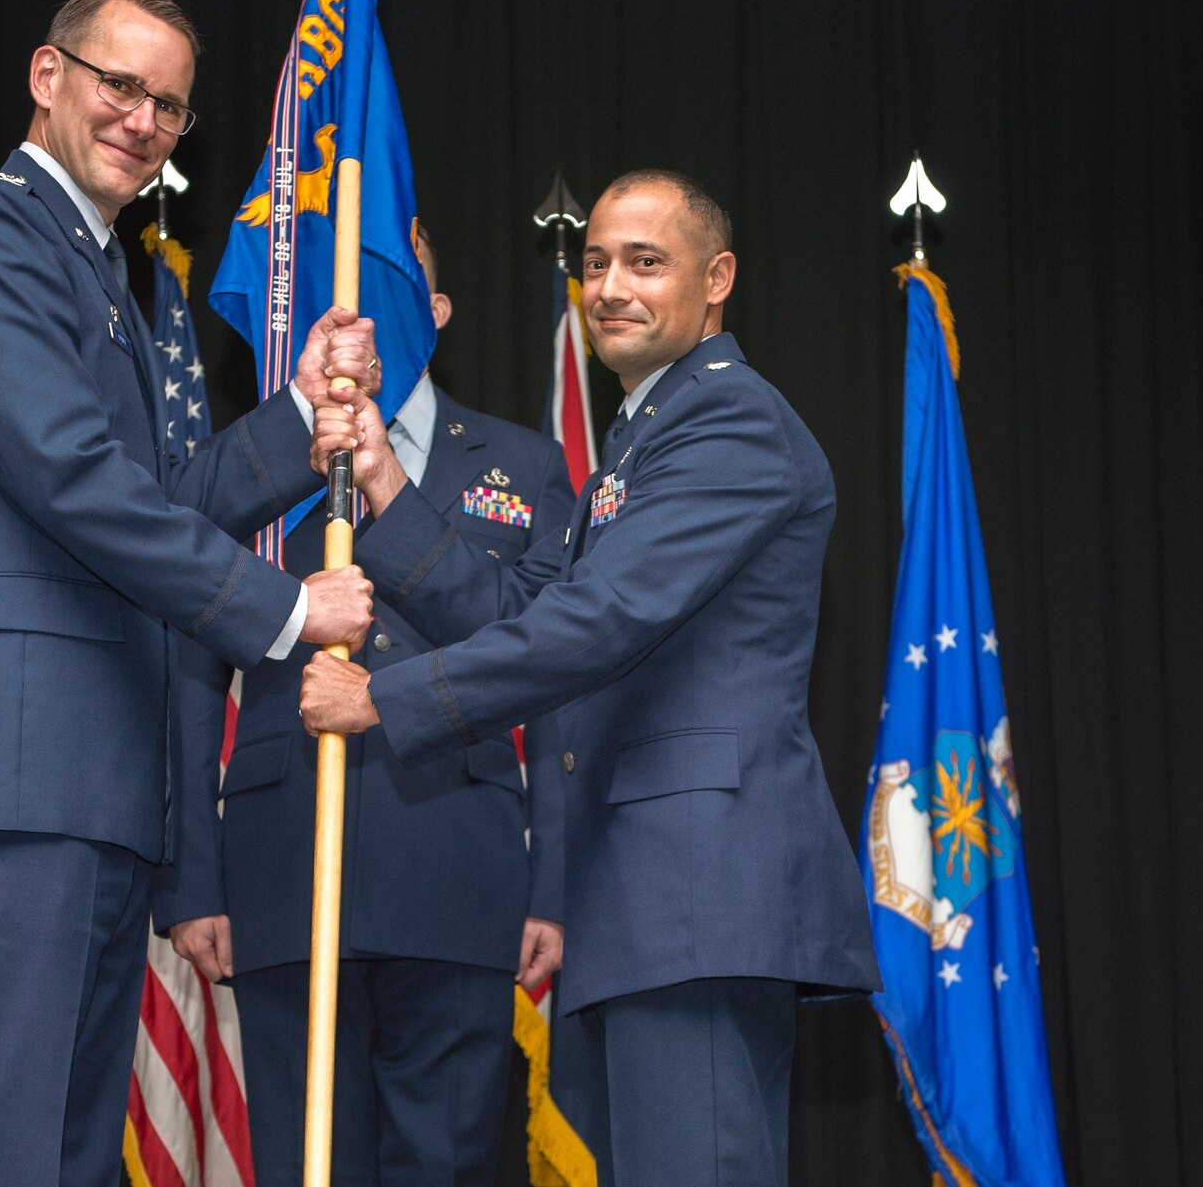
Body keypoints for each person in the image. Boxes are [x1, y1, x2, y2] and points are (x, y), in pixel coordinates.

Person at [0, 0, 381, 1186]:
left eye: (171, 107)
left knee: (71, 1153)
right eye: (119, 85)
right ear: (48, 77)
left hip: (89, 781)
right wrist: (289, 614)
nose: (142, 120)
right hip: (9, 771)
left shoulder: (110, 275)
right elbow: (72, 483)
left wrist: (299, 413)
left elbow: (162, 505)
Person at [301, 171, 880, 1185]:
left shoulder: (729, 424)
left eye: (645, 262)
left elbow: (596, 623)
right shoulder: (637, 442)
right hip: (644, 900)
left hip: (697, 895)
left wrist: (380, 702)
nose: (609, 285)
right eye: (599, 261)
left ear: (717, 279)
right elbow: (524, 617)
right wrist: (388, 490)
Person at [155, 227, 576, 1185]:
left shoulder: (523, 462)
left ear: (436, 314)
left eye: (392, 287)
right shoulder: (255, 461)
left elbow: (546, 665)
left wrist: (550, 879)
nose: (359, 315)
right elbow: (186, 657)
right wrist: (190, 877)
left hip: (457, 866)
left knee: (450, 1165)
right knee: (310, 1164)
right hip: (283, 866)